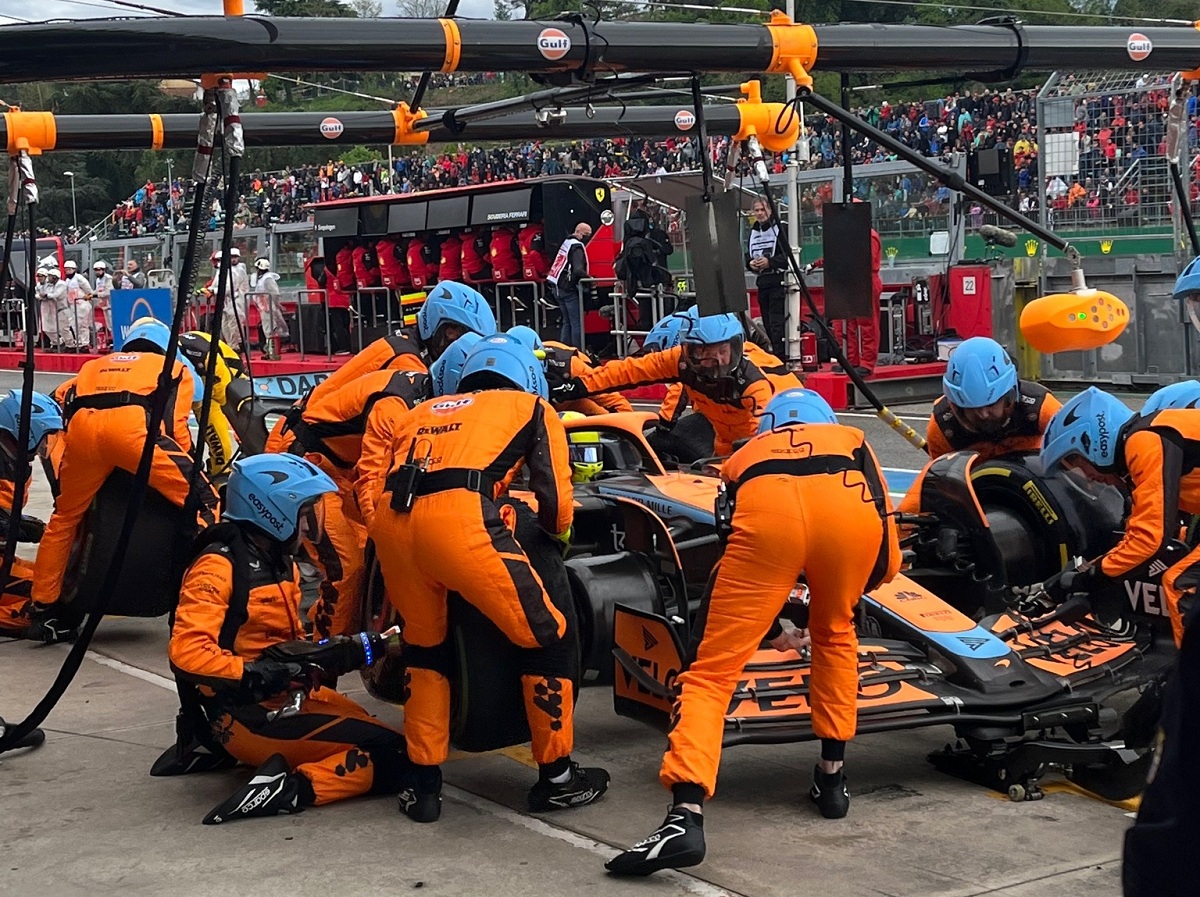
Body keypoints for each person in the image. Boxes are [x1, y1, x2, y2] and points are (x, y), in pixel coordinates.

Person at [606, 388, 901, 876]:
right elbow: (887, 558)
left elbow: (731, 545)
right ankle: (832, 780)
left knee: (710, 674)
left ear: (771, 430)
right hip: (847, 517)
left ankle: (685, 816)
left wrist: (769, 619)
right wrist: (838, 597)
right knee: (835, 637)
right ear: (823, 420)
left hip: (767, 520)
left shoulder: (746, 455)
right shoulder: (853, 441)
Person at [361, 334, 609, 822]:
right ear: (525, 375)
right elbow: (556, 500)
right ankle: (558, 778)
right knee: (548, 634)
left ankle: (425, 784)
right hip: (459, 522)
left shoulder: (421, 411)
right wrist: (554, 541)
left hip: (392, 528)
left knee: (425, 652)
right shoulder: (531, 406)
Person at [168, 454, 414, 824]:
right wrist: (258, 673)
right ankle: (293, 788)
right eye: (302, 512)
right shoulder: (219, 565)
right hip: (250, 716)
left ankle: (253, 754)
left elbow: (286, 645)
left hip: (283, 700)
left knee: (368, 721)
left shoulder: (277, 561)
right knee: (402, 755)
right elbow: (186, 653)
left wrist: (350, 650)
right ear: (271, 511)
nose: (307, 524)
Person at [23, 318, 219, 636]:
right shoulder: (173, 367)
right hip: (136, 435)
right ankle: (200, 597)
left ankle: (44, 604)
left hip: (84, 436)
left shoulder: (92, 366)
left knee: (65, 517)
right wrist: (187, 473)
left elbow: (58, 400)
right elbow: (174, 426)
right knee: (206, 504)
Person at [272, 365, 431, 640]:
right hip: (302, 468)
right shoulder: (394, 406)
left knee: (364, 553)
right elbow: (372, 477)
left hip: (337, 470)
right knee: (347, 567)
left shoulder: (423, 395)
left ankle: (334, 633)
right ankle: (322, 655)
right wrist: (385, 538)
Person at [1039, 387, 1200, 645]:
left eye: (1076, 463)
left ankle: (1188, 682)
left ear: (1091, 443)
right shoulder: (1151, 434)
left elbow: (1148, 541)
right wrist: (1086, 570)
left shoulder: (1144, 440)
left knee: (1182, 584)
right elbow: (1137, 534)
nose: (1088, 477)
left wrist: (1088, 578)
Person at [553, 312, 776, 456]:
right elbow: (630, 370)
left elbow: (766, 438)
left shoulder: (755, 385)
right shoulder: (679, 361)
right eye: (707, 353)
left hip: (767, 444)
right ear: (691, 350)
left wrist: (664, 427)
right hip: (725, 443)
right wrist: (578, 386)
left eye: (723, 351)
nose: (718, 362)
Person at [924, 337, 1061, 462]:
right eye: (972, 409)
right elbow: (941, 483)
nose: (983, 414)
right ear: (956, 407)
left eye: (991, 405)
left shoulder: (1042, 409)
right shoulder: (943, 427)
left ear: (1009, 396)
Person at [0, 391, 62, 634]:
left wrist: (18, 524)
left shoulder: (13, 463)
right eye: (45, 437)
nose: (45, 446)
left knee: (52, 579)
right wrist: (13, 526)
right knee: (46, 599)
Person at [507, 325, 632, 416]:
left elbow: (612, 398)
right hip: (531, 409)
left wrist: (630, 436)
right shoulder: (500, 371)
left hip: (570, 398)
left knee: (600, 414)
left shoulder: (570, 365)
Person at [746, 198, 790, 360]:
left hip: (778, 281)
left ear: (770, 211)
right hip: (762, 282)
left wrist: (770, 262)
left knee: (776, 323)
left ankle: (780, 356)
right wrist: (751, 263)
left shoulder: (782, 228)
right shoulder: (753, 231)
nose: (759, 213)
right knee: (767, 322)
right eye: (756, 210)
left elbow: (788, 257)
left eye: (762, 210)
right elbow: (747, 255)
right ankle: (774, 354)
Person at [546, 222, 592, 349]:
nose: (588, 237)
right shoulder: (576, 246)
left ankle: (563, 351)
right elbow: (578, 270)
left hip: (556, 287)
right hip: (568, 289)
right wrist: (590, 279)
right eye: (587, 235)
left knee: (567, 322)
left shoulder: (566, 243)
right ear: (580, 234)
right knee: (576, 323)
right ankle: (578, 352)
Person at [249, 257, 289, 361]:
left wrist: (277, 305)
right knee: (268, 330)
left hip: (268, 307)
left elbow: (274, 293)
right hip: (264, 307)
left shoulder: (268, 279)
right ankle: (270, 351)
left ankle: (272, 352)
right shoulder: (263, 279)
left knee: (270, 330)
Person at [62, 260, 93, 352]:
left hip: (82, 304)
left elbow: (88, 289)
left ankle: (84, 343)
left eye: (69, 269)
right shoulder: (67, 280)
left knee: (82, 325)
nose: (68, 271)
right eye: (66, 270)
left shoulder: (79, 278)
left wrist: (88, 296)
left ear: (74, 269)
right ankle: (78, 342)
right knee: (74, 325)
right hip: (72, 305)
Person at [91, 261, 115, 348]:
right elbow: (97, 290)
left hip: (110, 304)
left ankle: (115, 340)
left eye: (99, 270)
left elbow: (109, 292)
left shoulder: (109, 278)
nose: (97, 272)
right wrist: (91, 294)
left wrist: (96, 295)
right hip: (103, 305)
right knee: (108, 324)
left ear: (103, 270)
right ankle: (112, 340)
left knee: (112, 324)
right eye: (96, 270)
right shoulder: (98, 280)